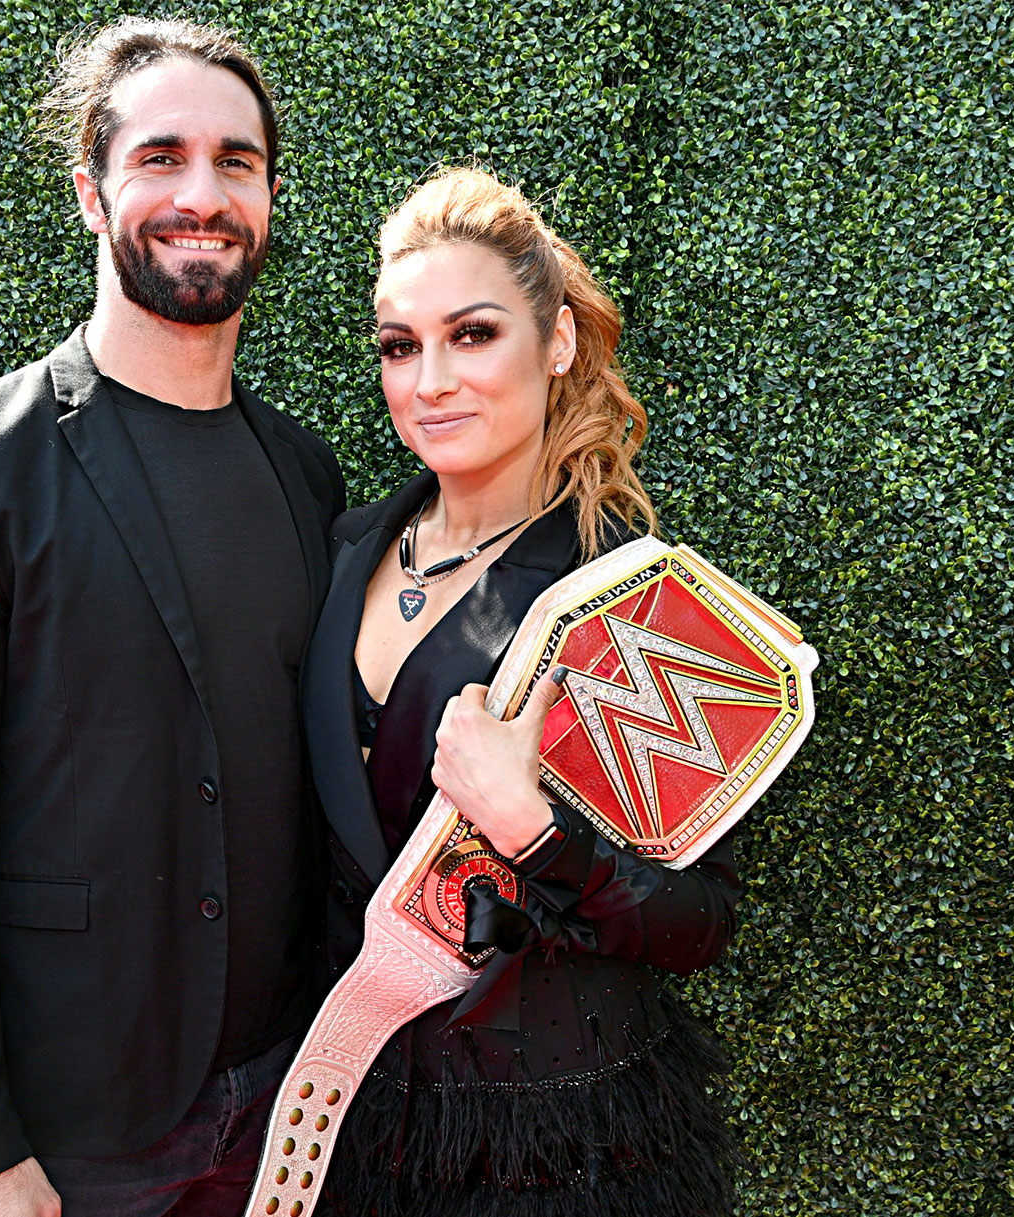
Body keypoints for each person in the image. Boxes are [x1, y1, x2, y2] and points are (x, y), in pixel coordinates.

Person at [0, 18, 344, 1217]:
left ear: (269, 193)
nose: (201, 193)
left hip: (290, 1113)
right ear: (91, 191)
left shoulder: (307, 474)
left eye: (236, 161)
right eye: (160, 157)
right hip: (79, 1136)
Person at [301, 168, 745, 1216]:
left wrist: (535, 832)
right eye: (400, 346)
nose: (430, 379)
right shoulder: (343, 545)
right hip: (358, 1124)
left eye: (473, 334)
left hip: (561, 1151)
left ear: (555, 343)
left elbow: (700, 921)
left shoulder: (628, 596)